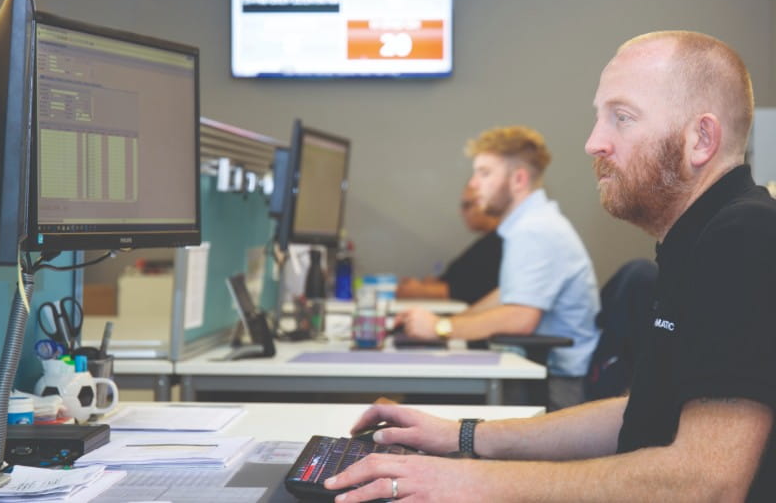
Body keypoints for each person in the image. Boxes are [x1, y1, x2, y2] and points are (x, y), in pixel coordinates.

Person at [324, 31, 776, 502]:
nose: (593, 143)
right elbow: (641, 414)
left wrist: (466, 481)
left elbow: (707, 483)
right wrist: (463, 436)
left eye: (621, 118)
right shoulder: (697, 239)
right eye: (599, 118)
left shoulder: (744, 236)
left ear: (700, 138)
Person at [396, 125, 601, 410]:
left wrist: (441, 327)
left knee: (424, 401)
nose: (474, 183)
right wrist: (446, 324)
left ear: (518, 179)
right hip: (539, 372)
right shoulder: (529, 224)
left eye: (484, 173)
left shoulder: (535, 230)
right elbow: (508, 294)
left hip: (556, 386)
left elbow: (520, 317)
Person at [396, 184, 502, 304]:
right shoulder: (488, 242)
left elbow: (470, 291)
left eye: (467, 205)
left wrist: (420, 291)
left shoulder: (497, 244)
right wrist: (428, 285)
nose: (462, 212)